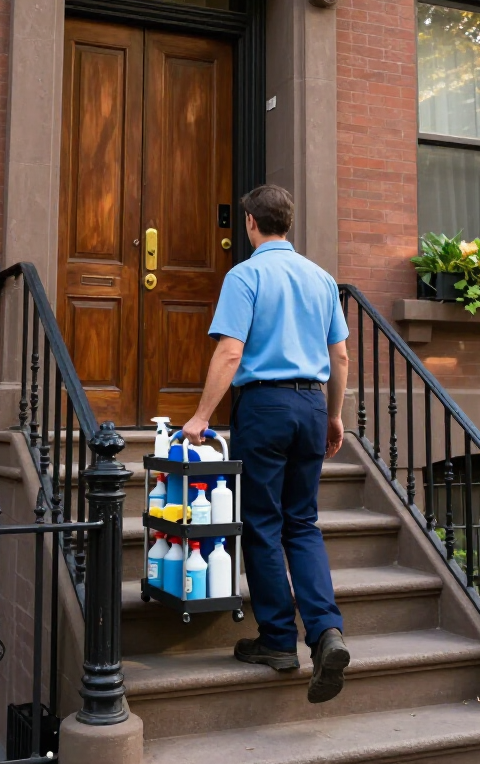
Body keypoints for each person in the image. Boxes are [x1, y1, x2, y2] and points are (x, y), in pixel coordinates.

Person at [182, 183, 351, 704]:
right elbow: (340, 357)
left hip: (265, 407)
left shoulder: (246, 274)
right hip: (311, 404)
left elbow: (231, 354)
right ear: (289, 224)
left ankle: (279, 640)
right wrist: (335, 416)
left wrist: (201, 416)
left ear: (252, 223)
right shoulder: (321, 278)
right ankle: (325, 633)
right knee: (302, 522)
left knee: (262, 522)